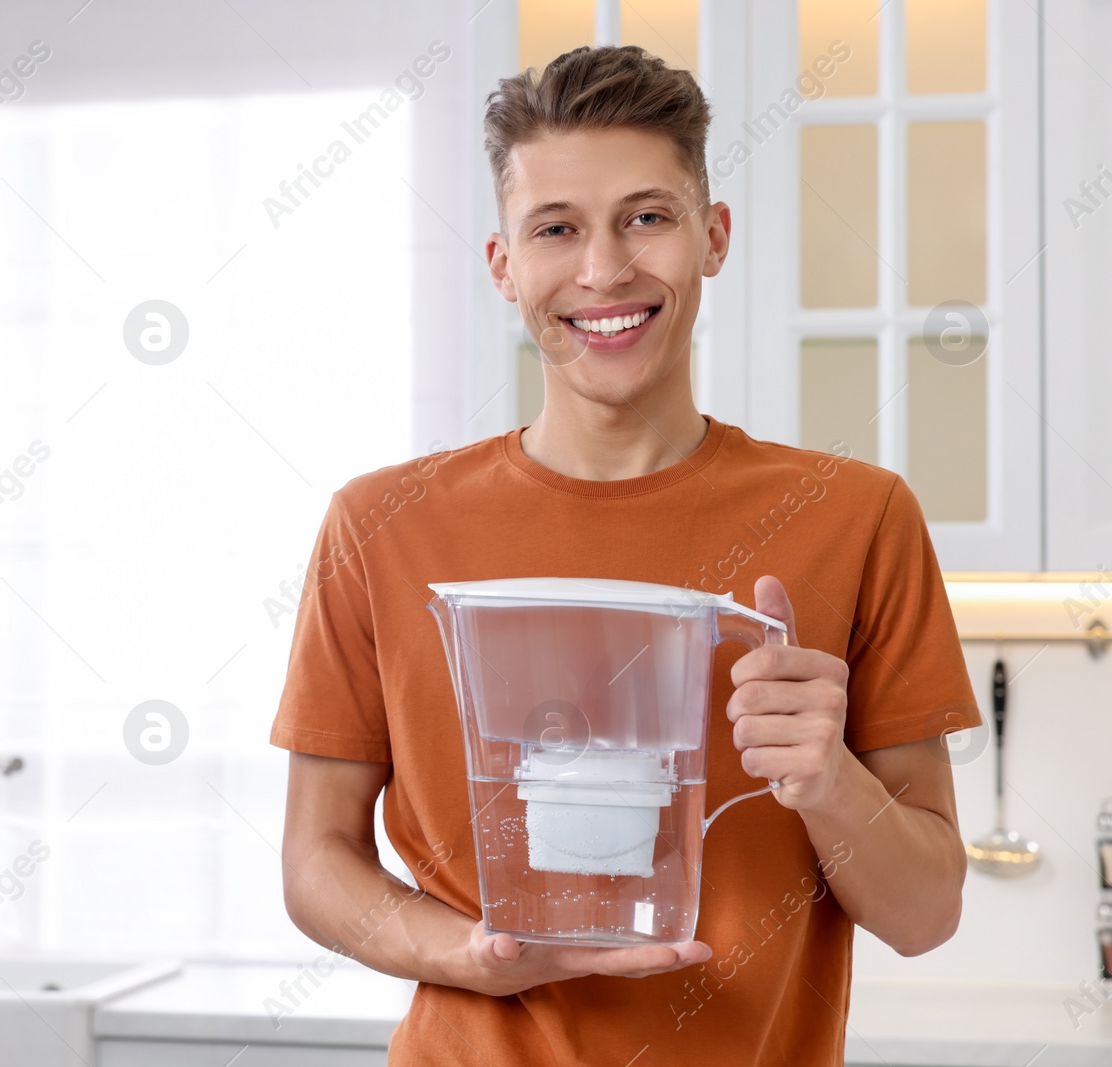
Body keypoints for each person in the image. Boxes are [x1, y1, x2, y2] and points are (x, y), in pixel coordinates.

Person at [269, 44, 980, 1065]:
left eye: (646, 217)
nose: (604, 269)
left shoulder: (856, 516)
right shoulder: (378, 524)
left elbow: (925, 914)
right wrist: (474, 955)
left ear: (711, 237)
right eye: (556, 229)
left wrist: (828, 780)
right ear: (503, 264)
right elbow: (313, 860)